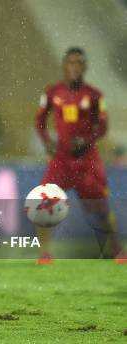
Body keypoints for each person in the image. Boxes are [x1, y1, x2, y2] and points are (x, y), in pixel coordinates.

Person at [35, 47, 125, 265]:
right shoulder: (52, 92)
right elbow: (39, 121)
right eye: (71, 62)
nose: (74, 66)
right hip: (62, 159)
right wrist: (47, 142)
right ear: (64, 65)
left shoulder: (94, 95)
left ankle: (118, 250)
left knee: (101, 208)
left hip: (87, 161)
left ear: (85, 67)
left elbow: (102, 127)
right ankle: (45, 254)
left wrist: (86, 140)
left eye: (79, 62)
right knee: (42, 201)